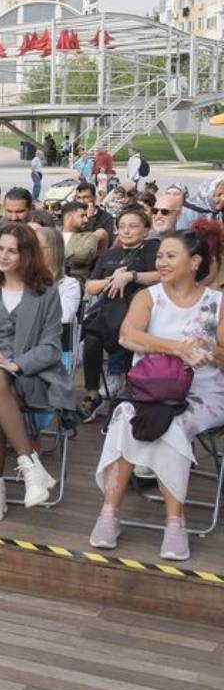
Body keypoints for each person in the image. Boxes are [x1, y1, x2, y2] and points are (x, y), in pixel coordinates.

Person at [89, 231, 224, 561]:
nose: (161, 262)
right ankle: (109, 512)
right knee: (123, 419)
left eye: (170, 256)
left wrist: (207, 350)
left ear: (194, 262)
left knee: (173, 425)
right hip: (150, 389)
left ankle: (175, 521)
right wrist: (177, 348)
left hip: (202, 393)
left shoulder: (217, 302)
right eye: (160, 256)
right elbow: (128, 336)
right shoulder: (149, 296)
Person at [0, 223, 75, 522]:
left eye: (13, 251)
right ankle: (31, 467)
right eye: (0, 249)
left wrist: (13, 364)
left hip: (32, 377)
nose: (3, 256)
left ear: (27, 255)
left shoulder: (46, 295)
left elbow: (51, 348)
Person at [79, 206, 160, 422]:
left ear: (146, 230)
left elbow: (160, 275)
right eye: (122, 226)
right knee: (92, 339)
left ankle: (122, 384)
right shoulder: (109, 255)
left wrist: (131, 276)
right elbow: (90, 286)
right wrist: (112, 280)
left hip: (140, 314)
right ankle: (92, 392)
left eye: (133, 226)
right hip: (108, 315)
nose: (126, 231)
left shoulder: (152, 248)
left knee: (110, 328)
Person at [31, 224, 81, 328]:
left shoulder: (69, 285)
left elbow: (63, 318)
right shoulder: (22, 280)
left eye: (40, 248)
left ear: (55, 250)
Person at [60, 200, 101, 280]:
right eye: (82, 216)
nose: (86, 220)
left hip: (76, 280)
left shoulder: (89, 237)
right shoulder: (52, 233)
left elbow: (85, 256)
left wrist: (53, 256)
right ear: (68, 217)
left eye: (86, 216)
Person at [75, 181, 114, 247]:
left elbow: (108, 242)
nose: (81, 201)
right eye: (78, 198)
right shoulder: (73, 215)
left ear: (94, 198)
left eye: (86, 197)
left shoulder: (106, 217)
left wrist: (90, 218)